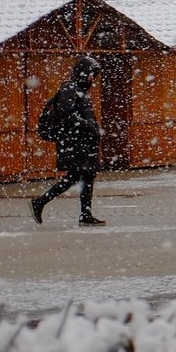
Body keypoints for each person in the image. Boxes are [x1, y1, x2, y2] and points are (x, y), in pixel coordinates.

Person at [32, 56, 106, 226]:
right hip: (75, 143)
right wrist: (88, 125)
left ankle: (85, 214)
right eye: (91, 74)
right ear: (83, 72)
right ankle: (40, 202)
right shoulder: (69, 88)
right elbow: (66, 114)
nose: (92, 78)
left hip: (83, 142)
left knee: (87, 176)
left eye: (94, 75)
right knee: (75, 177)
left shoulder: (79, 90)